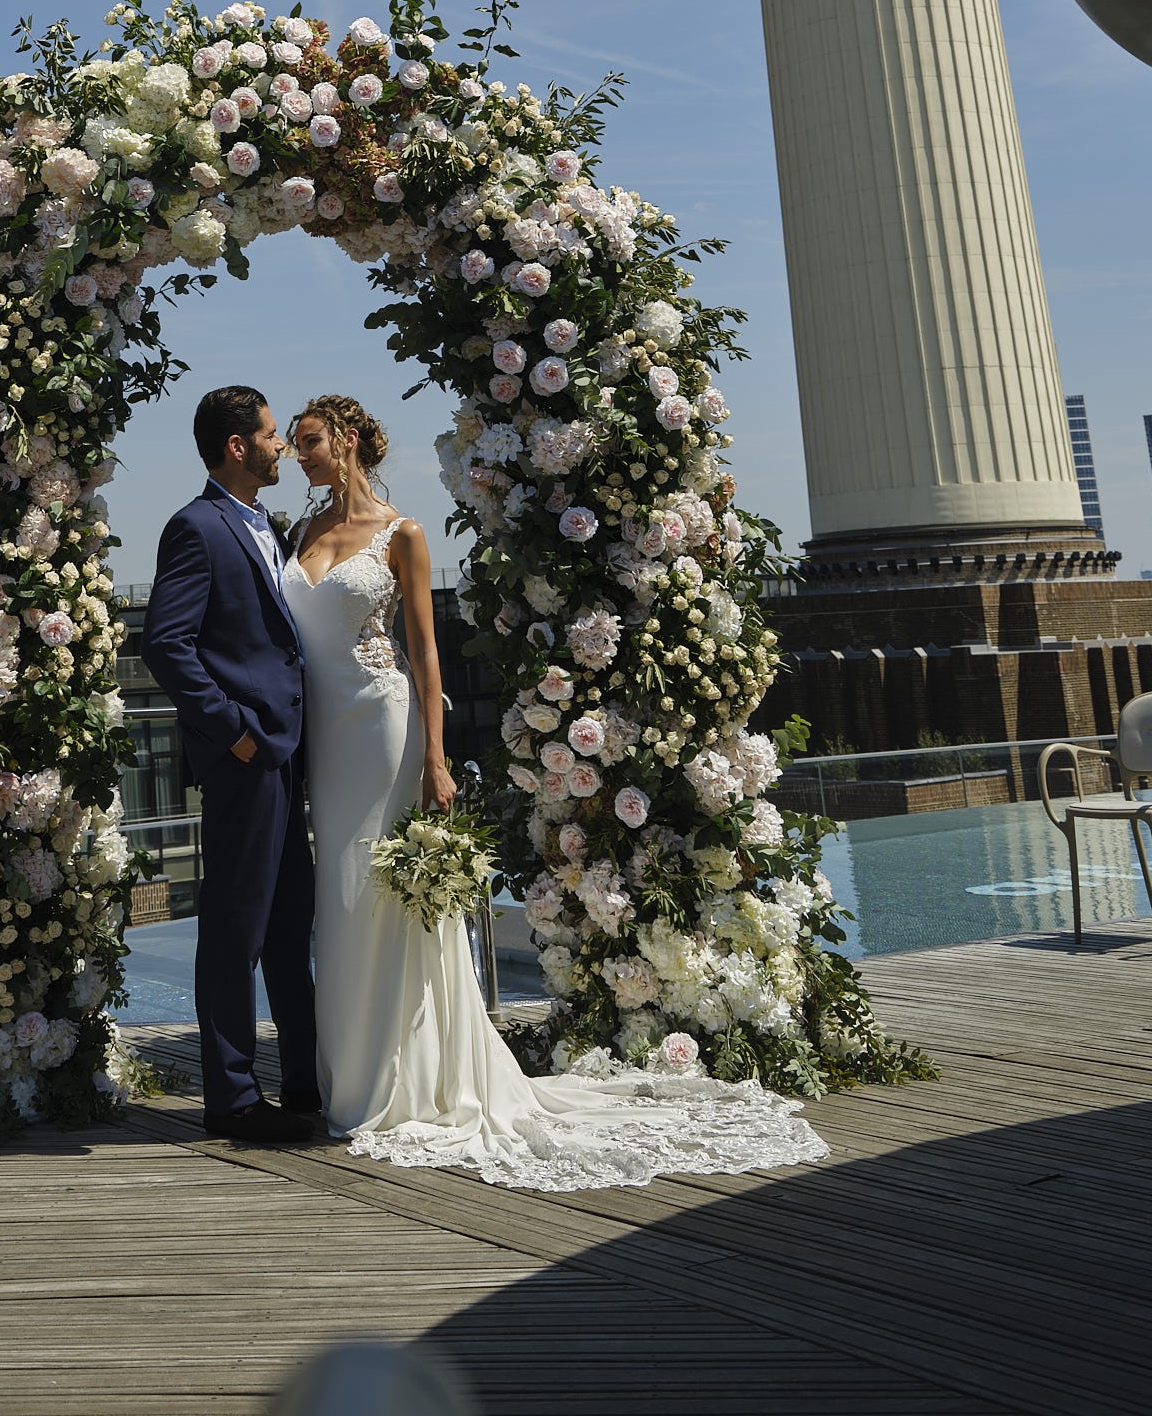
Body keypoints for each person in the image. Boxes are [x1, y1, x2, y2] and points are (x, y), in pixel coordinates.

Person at [282, 392, 827, 1192]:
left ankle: (406, 1078)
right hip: (322, 741)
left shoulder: (404, 534)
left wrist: (437, 758)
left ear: (351, 439)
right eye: (296, 446)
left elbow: (428, 657)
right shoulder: (295, 534)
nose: (302, 457)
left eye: (313, 442)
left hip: (382, 726)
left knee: (381, 887)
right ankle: (349, 1074)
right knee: (339, 890)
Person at [140, 384, 324, 1142]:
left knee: (289, 926)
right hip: (248, 757)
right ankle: (234, 1100)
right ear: (238, 446)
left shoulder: (265, 525)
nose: (283, 446)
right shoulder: (196, 526)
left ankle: (306, 1084)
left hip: (286, 755)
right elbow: (165, 644)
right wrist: (234, 731)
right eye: (274, 435)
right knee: (234, 930)